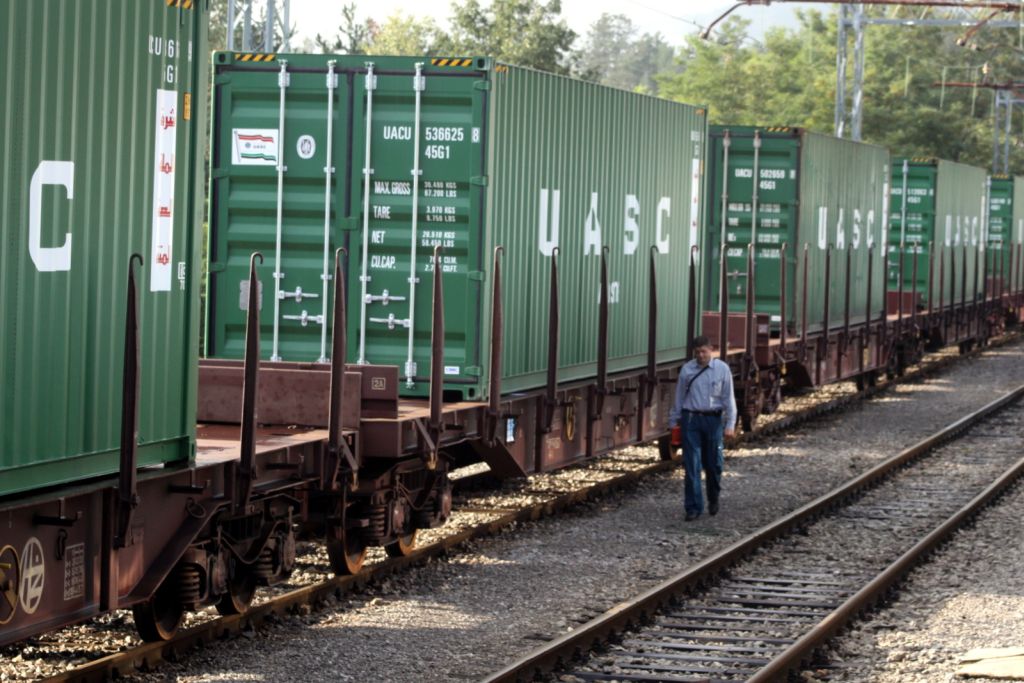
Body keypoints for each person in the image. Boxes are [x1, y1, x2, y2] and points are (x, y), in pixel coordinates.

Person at [668, 336, 737, 521]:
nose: (700, 355)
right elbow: (679, 397)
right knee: (692, 464)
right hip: (691, 419)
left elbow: (728, 398)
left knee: (714, 465)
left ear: (711, 350)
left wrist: (730, 424)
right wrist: (673, 421)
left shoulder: (722, 369)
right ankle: (693, 507)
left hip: (713, 420)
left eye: (704, 351)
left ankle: (713, 497)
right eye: (697, 352)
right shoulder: (687, 370)